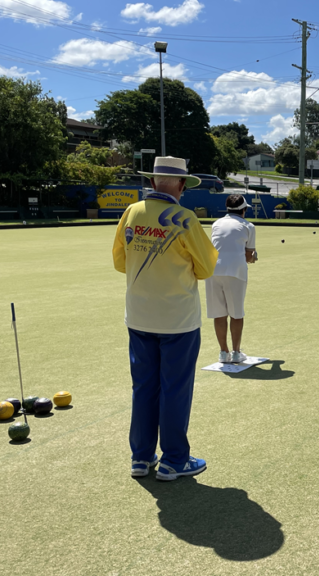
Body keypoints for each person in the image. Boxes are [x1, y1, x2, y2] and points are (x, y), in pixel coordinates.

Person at [113, 156, 218, 482]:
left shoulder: (132, 212)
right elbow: (206, 268)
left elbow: (119, 261)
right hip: (177, 321)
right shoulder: (185, 219)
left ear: (153, 181)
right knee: (175, 389)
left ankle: (141, 458)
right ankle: (174, 460)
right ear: (182, 185)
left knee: (143, 387)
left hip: (139, 316)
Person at [206, 194, 257, 366]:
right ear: (243, 210)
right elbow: (249, 256)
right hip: (236, 271)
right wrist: (253, 257)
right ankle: (236, 352)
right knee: (236, 313)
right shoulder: (248, 226)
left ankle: (223, 352)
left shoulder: (216, 223)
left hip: (213, 270)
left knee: (219, 313)